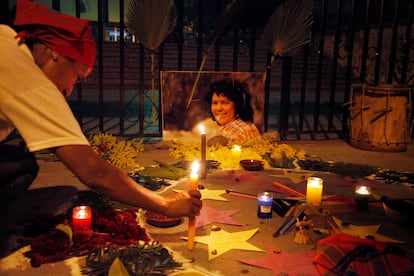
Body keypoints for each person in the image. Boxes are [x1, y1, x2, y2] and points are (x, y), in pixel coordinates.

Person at [0, 0, 202, 219]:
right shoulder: (26, 74)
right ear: (55, 53)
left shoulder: (8, 41)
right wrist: (164, 204)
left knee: (20, 164)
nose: (68, 90)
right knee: (17, 167)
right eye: (77, 78)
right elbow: (93, 172)